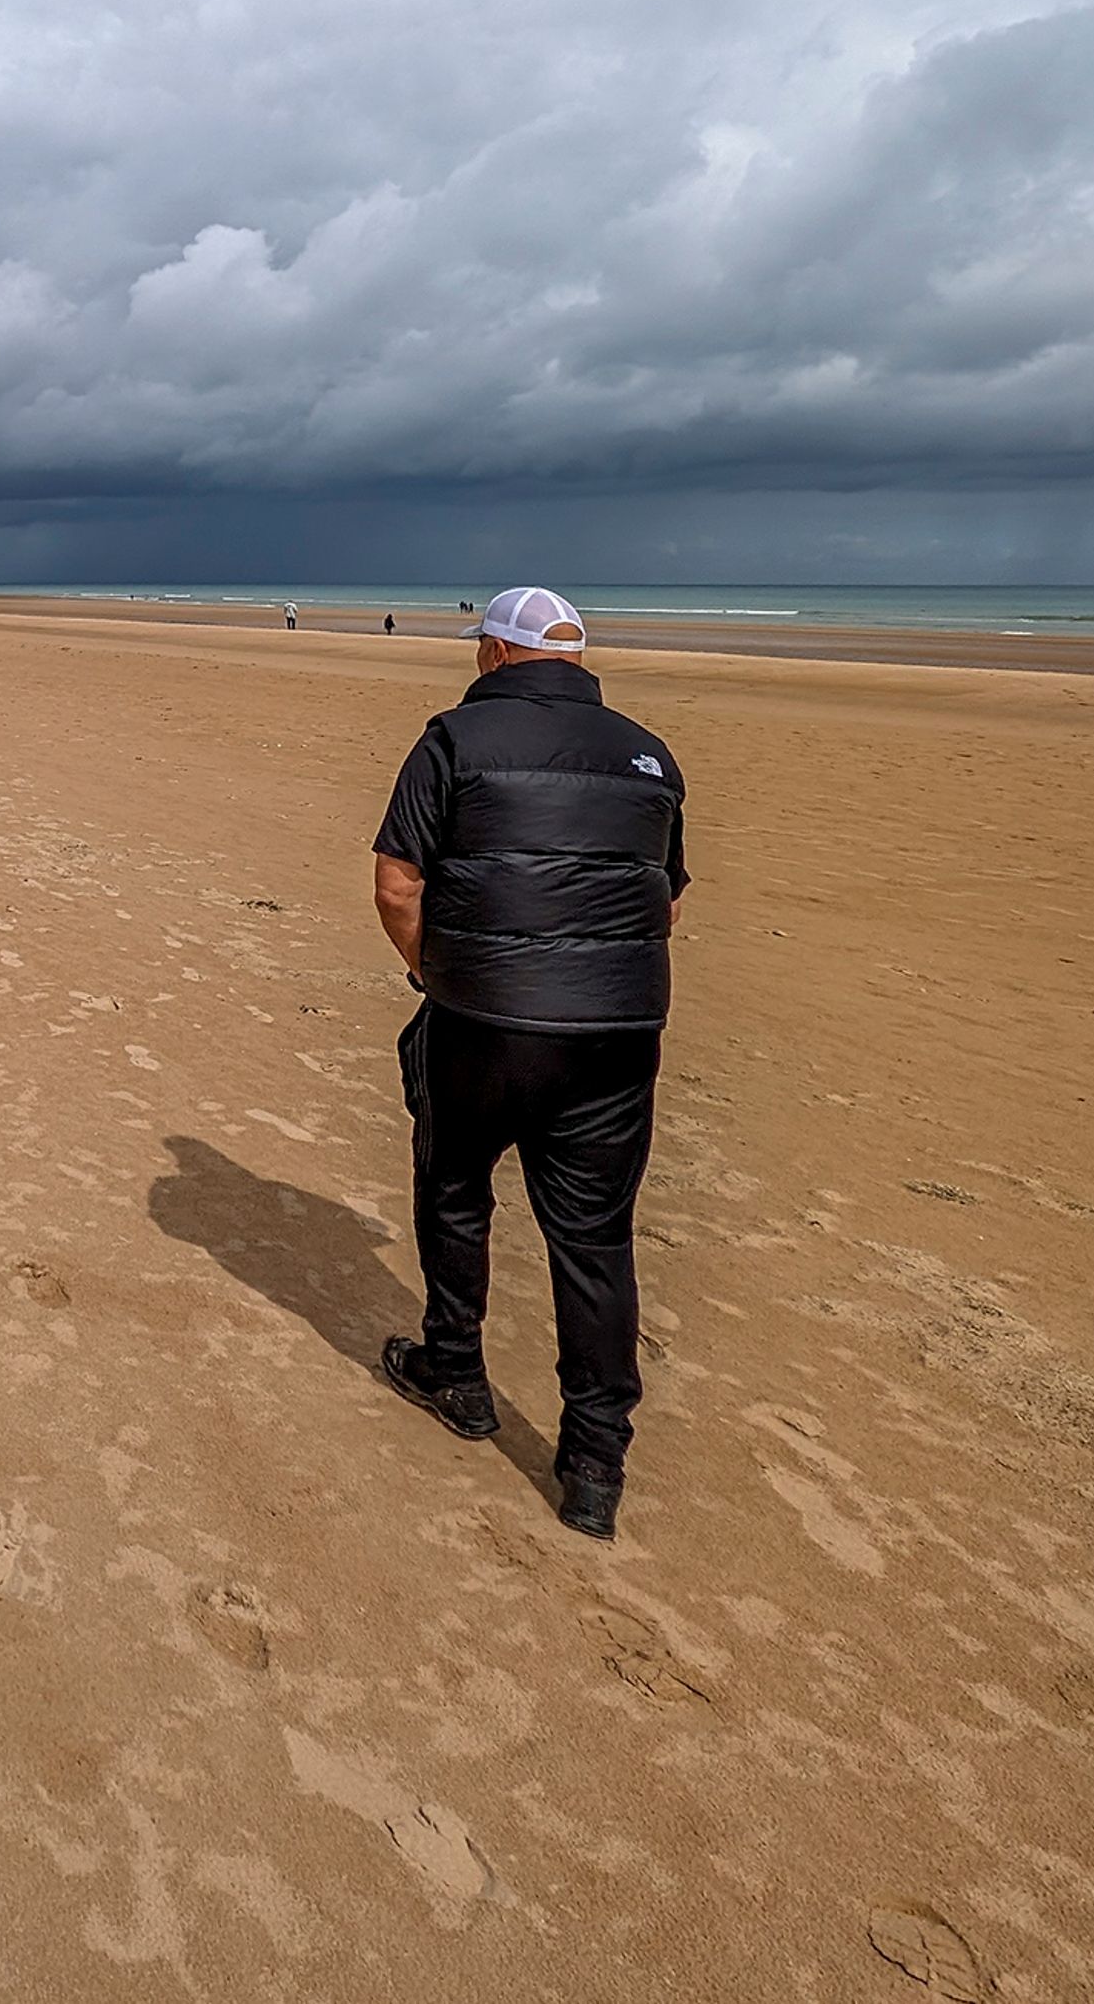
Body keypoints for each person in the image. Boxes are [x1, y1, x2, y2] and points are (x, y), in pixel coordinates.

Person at [365, 585, 686, 1540]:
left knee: (455, 1185)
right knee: (593, 1236)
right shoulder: (649, 754)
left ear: (498, 654)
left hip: (485, 1021)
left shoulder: (453, 741)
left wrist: (436, 968)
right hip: (616, 1035)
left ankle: (456, 1372)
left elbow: (394, 881)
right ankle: (594, 1464)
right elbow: (664, 900)